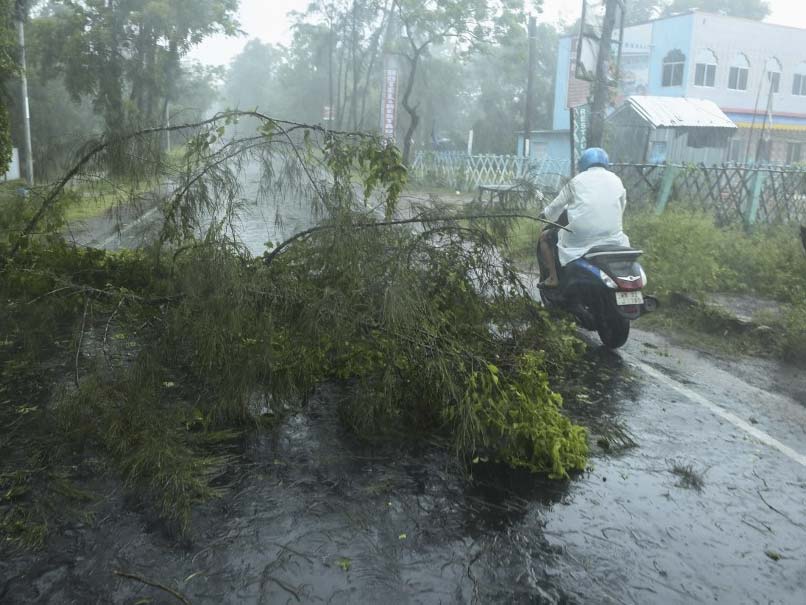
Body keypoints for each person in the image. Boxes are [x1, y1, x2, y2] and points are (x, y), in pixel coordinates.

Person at [538, 147, 630, 287]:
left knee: (545, 236)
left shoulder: (577, 181)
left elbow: (555, 207)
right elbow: (621, 206)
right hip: (612, 237)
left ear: (583, 164)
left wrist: (545, 214)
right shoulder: (616, 180)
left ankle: (553, 278)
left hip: (580, 238)